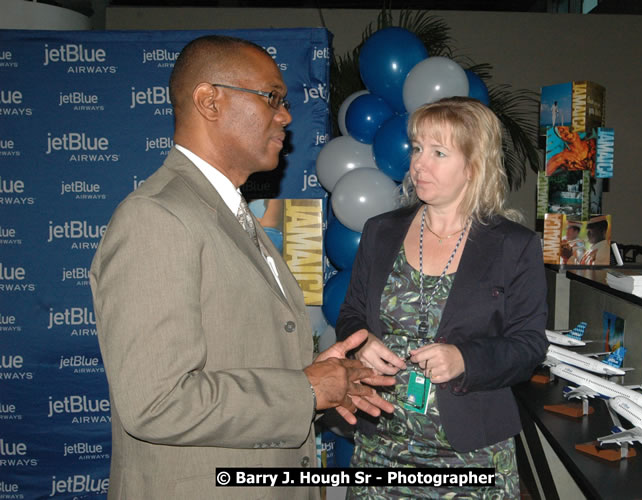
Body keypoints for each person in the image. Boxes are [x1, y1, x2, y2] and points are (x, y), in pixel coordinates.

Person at [90, 35, 393, 500]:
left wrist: (321, 384)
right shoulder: (157, 217)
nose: (286, 115)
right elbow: (155, 402)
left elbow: (240, 360)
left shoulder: (227, 212)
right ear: (209, 101)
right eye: (272, 98)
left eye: (286, 102)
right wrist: (304, 390)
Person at [336, 97, 548, 498]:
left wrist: (465, 359)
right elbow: (351, 313)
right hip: (382, 446)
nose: (418, 164)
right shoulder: (381, 232)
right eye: (417, 148)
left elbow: (529, 345)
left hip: (470, 455)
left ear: (473, 164)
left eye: (438, 152)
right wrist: (361, 342)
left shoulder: (513, 246)